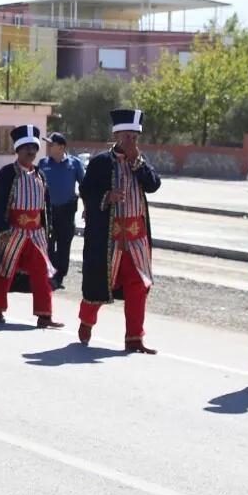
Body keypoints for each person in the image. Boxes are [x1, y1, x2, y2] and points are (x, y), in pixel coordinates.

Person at [78, 107, 162, 352]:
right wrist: (107, 197)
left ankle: (134, 338)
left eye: (135, 138)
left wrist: (137, 161)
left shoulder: (141, 161)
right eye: (127, 137)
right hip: (109, 238)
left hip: (137, 238)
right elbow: (86, 191)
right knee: (101, 283)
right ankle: (86, 320)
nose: (131, 142)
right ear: (116, 136)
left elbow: (154, 185)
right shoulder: (101, 162)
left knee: (138, 285)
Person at [0, 125, 63, 329]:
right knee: (5, 270)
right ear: (18, 150)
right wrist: (2, 230)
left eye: (34, 147)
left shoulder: (40, 174)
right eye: (26, 148)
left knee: (42, 271)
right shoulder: (6, 174)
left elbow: (46, 205)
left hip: (36, 233)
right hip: (12, 231)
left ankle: (44, 315)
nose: (31, 152)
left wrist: (47, 229)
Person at [37, 133, 84, 289]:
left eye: (52, 144)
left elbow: (84, 187)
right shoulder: (43, 163)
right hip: (47, 213)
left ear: (62, 147)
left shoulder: (74, 164)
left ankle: (59, 276)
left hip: (66, 212)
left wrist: (88, 208)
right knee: (48, 246)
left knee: (64, 247)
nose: (49, 147)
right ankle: (50, 275)